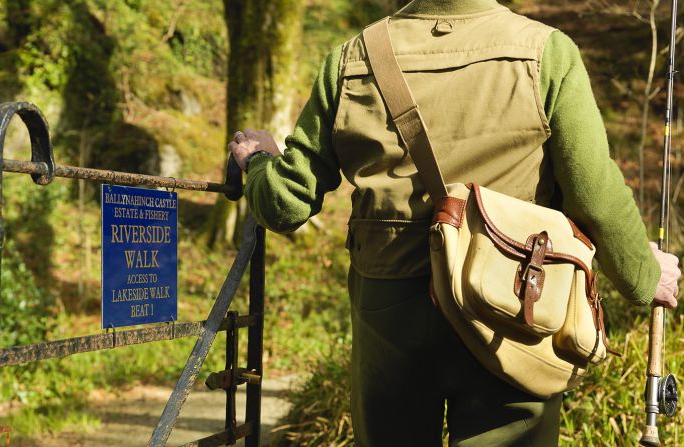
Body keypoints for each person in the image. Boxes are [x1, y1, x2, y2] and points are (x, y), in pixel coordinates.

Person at [227, 0, 682, 445]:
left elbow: (282, 205)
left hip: (390, 311)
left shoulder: (351, 59)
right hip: (515, 302)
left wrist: (261, 160)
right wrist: (643, 275)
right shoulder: (546, 52)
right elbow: (594, 195)